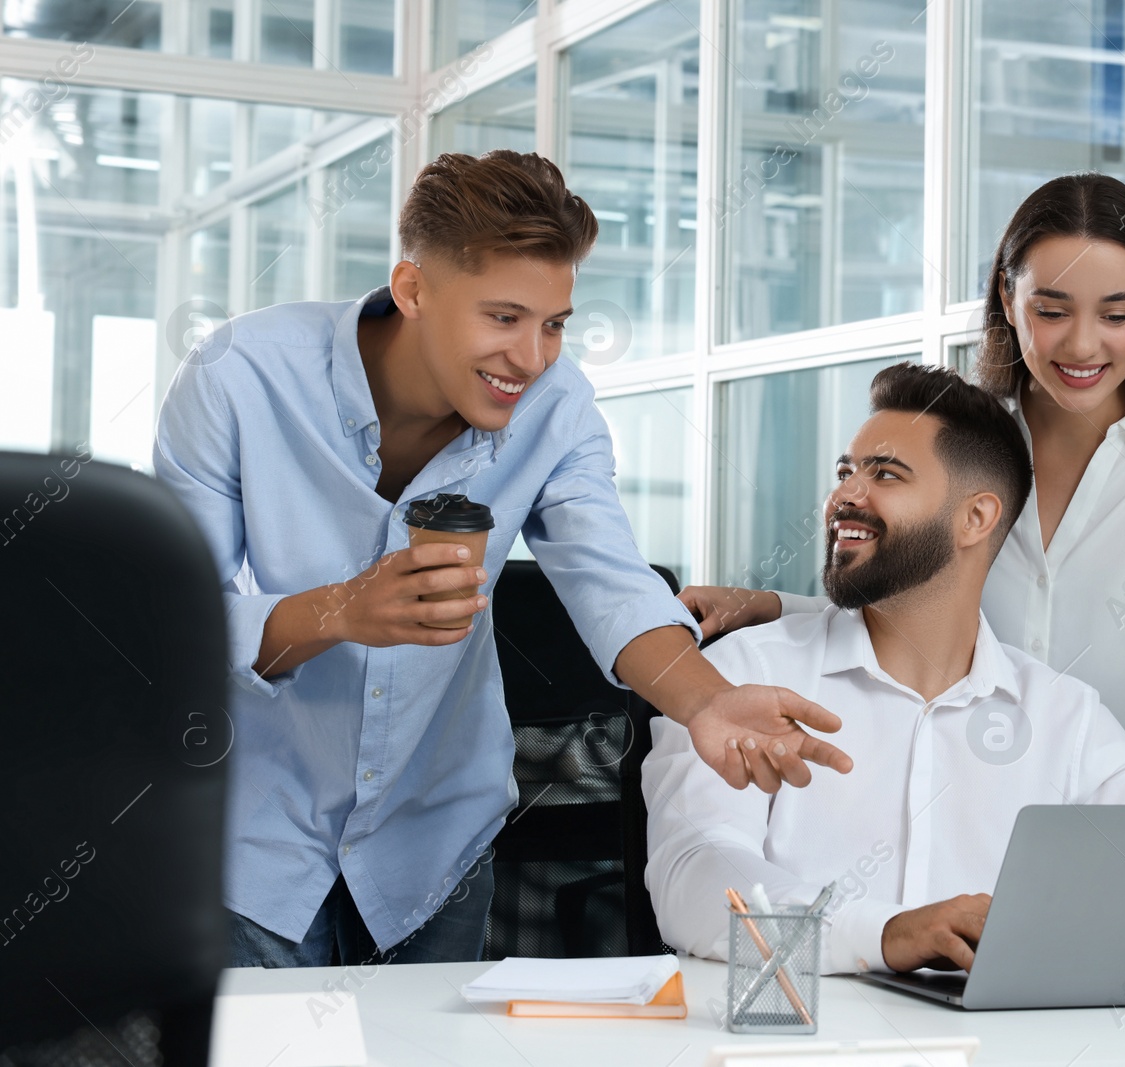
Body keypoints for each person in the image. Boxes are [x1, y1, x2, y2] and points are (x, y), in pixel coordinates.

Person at [153, 151, 851, 969]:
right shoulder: (240, 377)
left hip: (432, 846)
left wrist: (705, 702)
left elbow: (611, 581)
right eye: (503, 317)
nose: (532, 356)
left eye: (554, 323)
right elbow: (174, 619)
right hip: (255, 843)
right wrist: (340, 610)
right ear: (413, 290)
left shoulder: (555, 409)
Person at [679, 174, 1125, 964]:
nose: (1083, 345)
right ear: (1007, 304)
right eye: (1051, 311)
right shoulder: (964, 444)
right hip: (961, 832)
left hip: (1109, 836)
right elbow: (915, 601)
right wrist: (786, 609)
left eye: (1117, 314)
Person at [644, 362, 1125, 975]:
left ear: (975, 518)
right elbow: (695, 878)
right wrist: (885, 933)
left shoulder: (1065, 716)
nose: (845, 493)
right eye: (845, 472)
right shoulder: (739, 678)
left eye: (885, 474)